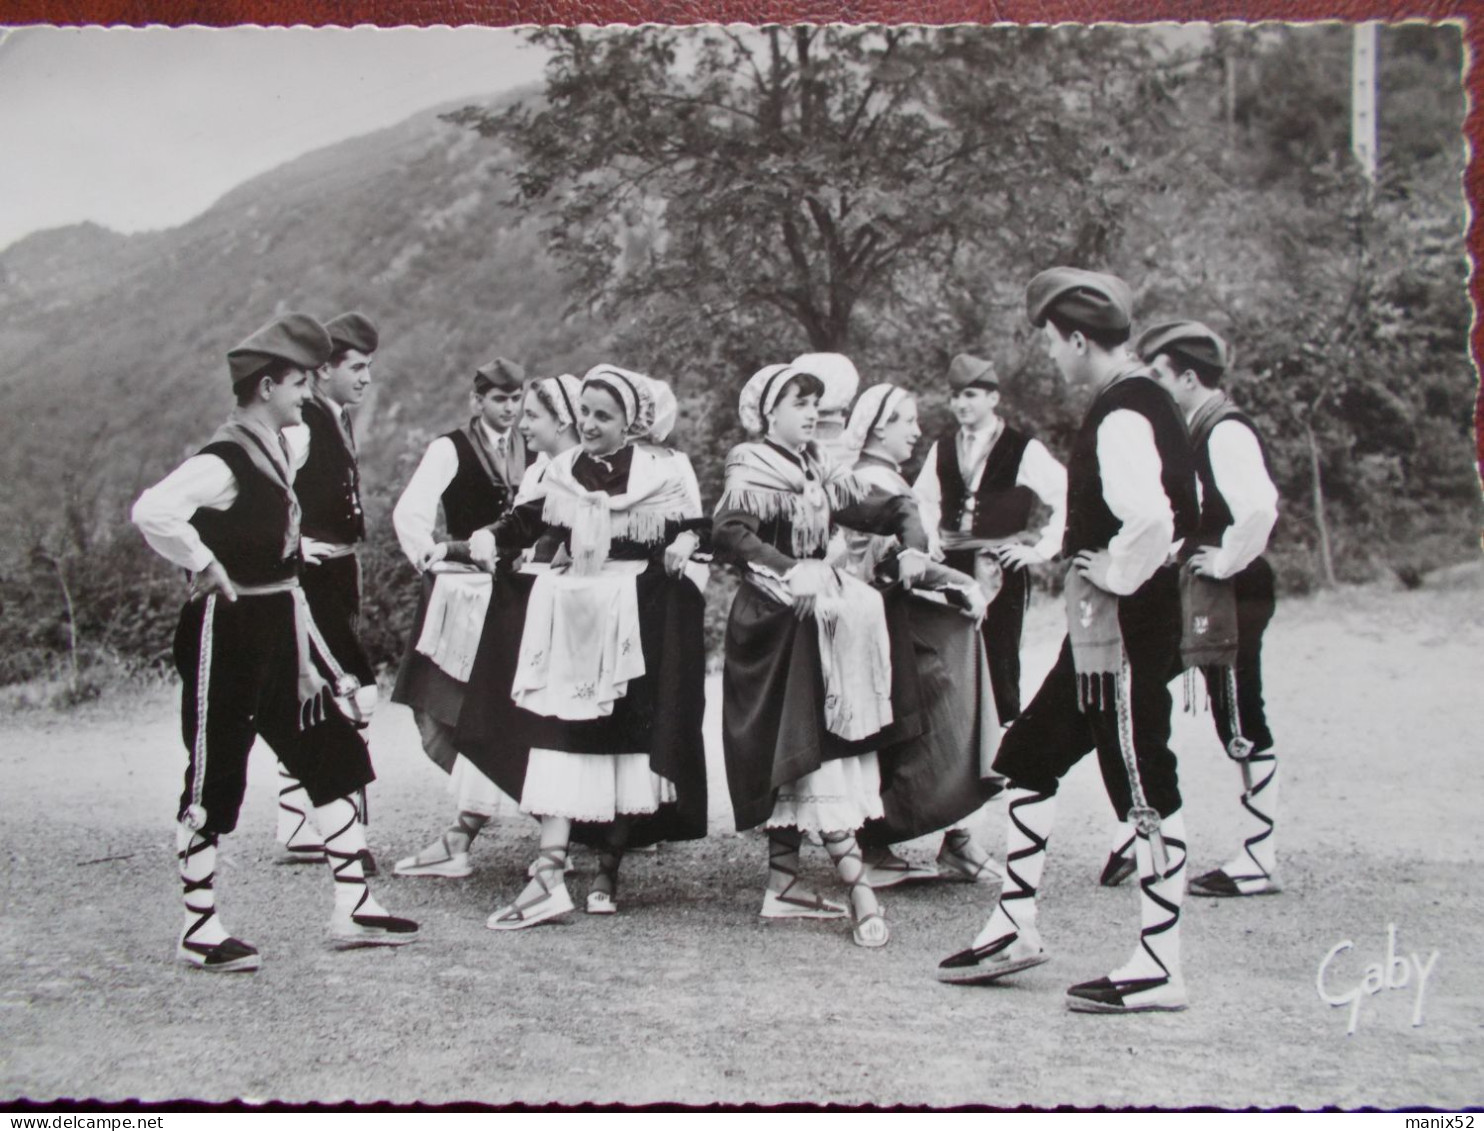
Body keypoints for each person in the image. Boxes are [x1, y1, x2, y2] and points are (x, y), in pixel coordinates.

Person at [937, 268, 1198, 1013]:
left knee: (1146, 780)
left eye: (1053, 342)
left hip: (1119, 631)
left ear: (1080, 339)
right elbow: (1191, 503)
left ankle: (1160, 962)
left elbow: (1153, 519)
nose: (1051, 355)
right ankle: (1014, 922)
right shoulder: (1149, 403)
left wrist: (1116, 572)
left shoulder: (1120, 414)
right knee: (1029, 757)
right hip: (1098, 634)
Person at [131, 312, 417, 973]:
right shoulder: (223, 460)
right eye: (296, 383)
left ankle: (354, 902)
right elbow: (154, 511)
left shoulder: (283, 445)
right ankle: (199, 926)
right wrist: (200, 559)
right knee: (217, 768)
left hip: (283, 625)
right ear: (266, 387)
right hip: (224, 630)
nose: (304, 393)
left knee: (331, 745)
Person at [455, 365, 710, 928]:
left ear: (631, 422)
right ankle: (549, 872)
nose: (590, 425)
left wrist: (688, 540)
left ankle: (608, 866)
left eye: (604, 416)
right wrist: (489, 536)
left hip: (636, 612)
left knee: (623, 734)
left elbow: (699, 525)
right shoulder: (563, 470)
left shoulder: (662, 472)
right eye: (585, 414)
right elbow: (525, 520)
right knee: (563, 733)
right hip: (573, 616)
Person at [714, 362, 936, 949]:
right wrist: (795, 570)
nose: (810, 412)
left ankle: (783, 882)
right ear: (768, 412)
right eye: (797, 402)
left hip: (815, 618)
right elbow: (732, 534)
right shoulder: (750, 462)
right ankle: (857, 888)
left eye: (815, 402)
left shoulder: (817, 465)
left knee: (817, 742)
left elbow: (882, 507)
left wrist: (912, 540)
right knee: (809, 747)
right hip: (772, 618)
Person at [394, 373, 583, 879]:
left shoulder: (570, 472)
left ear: (560, 420)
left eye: (530, 413)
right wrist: (449, 552)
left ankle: (540, 846)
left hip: (556, 609)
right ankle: (468, 833)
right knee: (492, 713)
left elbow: (534, 533)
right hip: (526, 599)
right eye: (508, 404)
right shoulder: (541, 466)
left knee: (516, 719)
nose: (521, 421)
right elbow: (520, 530)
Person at [833, 383, 1005, 889]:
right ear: (880, 426)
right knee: (946, 709)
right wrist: (963, 584)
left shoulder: (880, 477)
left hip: (889, 616)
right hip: (882, 622)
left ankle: (947, 839)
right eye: (906, 421)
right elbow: (894, 560)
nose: (916, 430)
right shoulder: (871, 480)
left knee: (924, 721)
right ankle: (944, 841)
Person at [1143, 320, 1280, 898]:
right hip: (1205, 586)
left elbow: (1259, 509)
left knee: (1239, 714)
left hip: (1233, 590)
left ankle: (1261, 855)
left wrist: (1223, 561)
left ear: (1190, 378)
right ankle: (1142, 828)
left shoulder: (1224, 431)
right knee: (1144, 684)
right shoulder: (1195, 427)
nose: (1152, 386)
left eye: (1159, 375)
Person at [388, 357, 530, 875]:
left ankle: (480, 828)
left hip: (520, 591)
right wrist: (434, 557)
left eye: (516, 399)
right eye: (499, 399)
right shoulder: (449, 448)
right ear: (477, 400)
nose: (509, 409)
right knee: (444, 700)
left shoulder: (532, 446)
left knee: (511, 704)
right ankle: (472, 817)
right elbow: (410, 512)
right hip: (465, 590)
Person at [274, 312, 380, 871]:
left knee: (324, 694)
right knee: (352, 693)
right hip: (311, 575)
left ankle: (298, 823)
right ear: (323, 371)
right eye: (356, 367)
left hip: (338, 570)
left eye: (368, 368)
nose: (365, 378)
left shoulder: (332, 416)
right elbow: (269, 486)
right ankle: (341, 828)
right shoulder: (300, 423)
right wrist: (290, 543)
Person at [914, 354, 1067, 725]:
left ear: (993, 399)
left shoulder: (1022, 447)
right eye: (955, 396)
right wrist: (932, 537)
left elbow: (1067, 495)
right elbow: (922, 499)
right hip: (950, 564)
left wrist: (1040, 550)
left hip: (1002, 566)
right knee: (951, 656)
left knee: (1000, 654)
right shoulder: (943, 449)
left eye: (970, 395)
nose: (961, 404)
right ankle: (958, 760)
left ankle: (1001, 758)